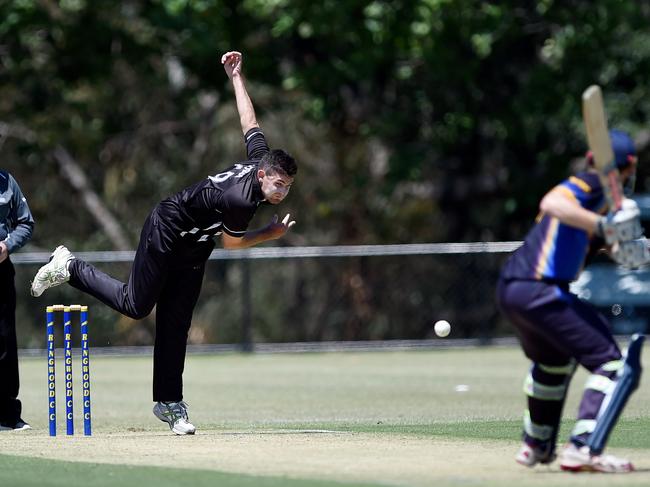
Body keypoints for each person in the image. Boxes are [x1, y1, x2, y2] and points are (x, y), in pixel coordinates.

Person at [30, 51, 297, 435]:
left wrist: (236, 76)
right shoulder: (241, 200)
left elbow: (249, 121)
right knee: (136, 305)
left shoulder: (260, 160)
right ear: (264, 174)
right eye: (279, 184)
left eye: (288, 187)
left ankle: (170, 404)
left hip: (195, 244)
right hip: (168, 227)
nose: (282, 192)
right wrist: (269, 235)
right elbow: (234, 245)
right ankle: (69, 266)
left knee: (176, 323)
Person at [497, 129, 647, 473]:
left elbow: (610, 247)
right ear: (625, 168)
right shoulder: (589, 184)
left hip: (514, 289)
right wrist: (604, 224)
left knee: (554, 363)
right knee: (613, 364)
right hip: (539, 289)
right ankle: (584, 447)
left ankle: (535, 445)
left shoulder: (596, 202)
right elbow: (552, 203)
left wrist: (632, 246)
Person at [0, 171, 34, 431]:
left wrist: (7, 245)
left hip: (1, 271)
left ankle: (8, 415)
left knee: (4, 343)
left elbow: (25, 223)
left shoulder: (7, 181)